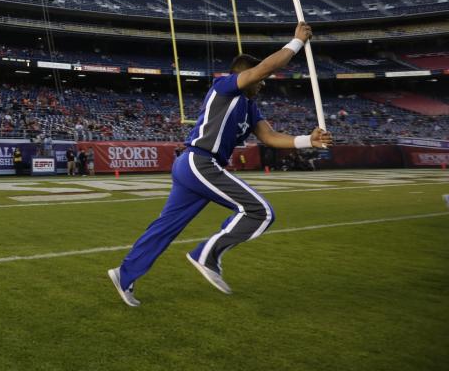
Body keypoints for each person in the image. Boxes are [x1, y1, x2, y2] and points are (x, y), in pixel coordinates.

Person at [108, 23, 333, 307]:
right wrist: (297, 42)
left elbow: (269, 137)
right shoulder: (225, 86)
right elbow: (262, 70)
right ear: (244, 76)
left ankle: (124, 274)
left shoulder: (251, 107)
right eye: (259, 80)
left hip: (194, 167)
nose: (263, 84)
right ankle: (206, 256)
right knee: (260, 211)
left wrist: (307, 141)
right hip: (200, 162)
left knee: (165, 227)